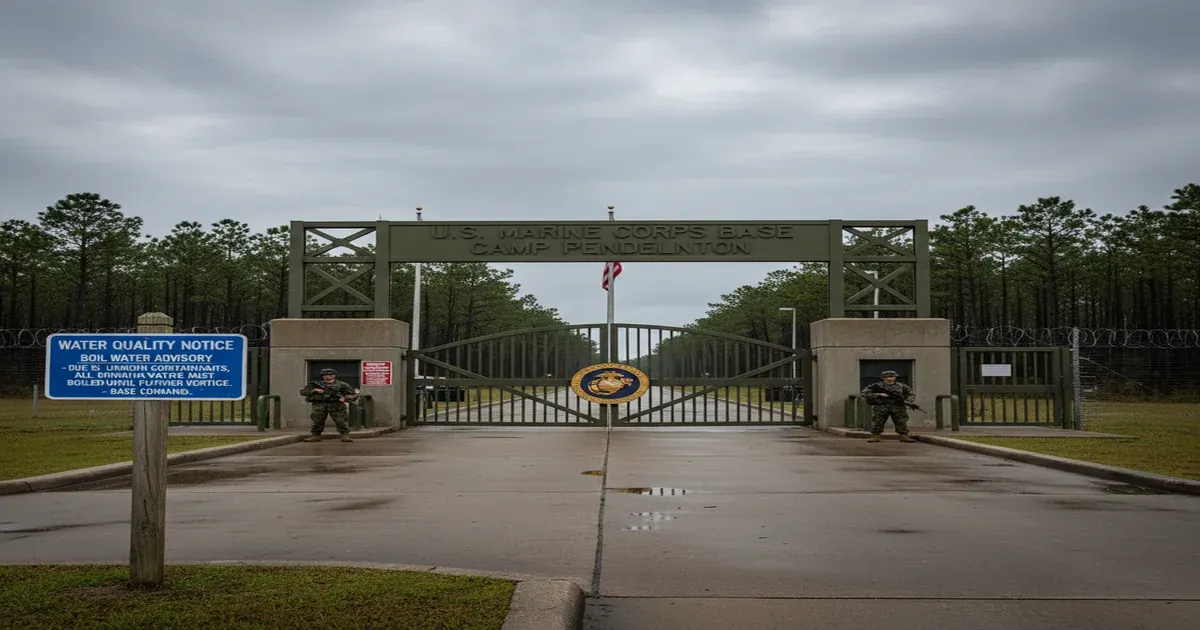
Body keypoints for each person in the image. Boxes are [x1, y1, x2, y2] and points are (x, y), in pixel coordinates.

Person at [300, 368, 357, 442]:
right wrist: (314, 390)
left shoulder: (342, 384)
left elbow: (353, 395)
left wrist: (345, 398)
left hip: (336, 405)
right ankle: (315, 435)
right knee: (317, 421)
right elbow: (303, 392)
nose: (327, 376)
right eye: (325, 375)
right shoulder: (315, 384)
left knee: (341, 421)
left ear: (334, 375)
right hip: (320, 405)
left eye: (330, 375)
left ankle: (345, 435)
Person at [859, 370, 916, 443]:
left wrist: (908, 401)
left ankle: (904, 436)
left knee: (901, 421)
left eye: (894, 376)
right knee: (878, 421)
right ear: (884, 378)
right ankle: (875, 436)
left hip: (898, 407)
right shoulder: (876, 386)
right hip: (881, 406)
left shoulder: (901, 386)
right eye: (891, 376)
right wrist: (879, 394)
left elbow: (911, 394)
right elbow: (864, 393)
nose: (893, 378)